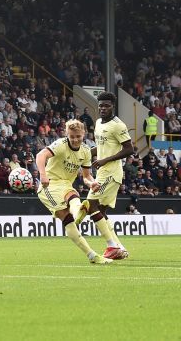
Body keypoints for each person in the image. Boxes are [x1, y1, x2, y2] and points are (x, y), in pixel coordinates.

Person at [35, 120, 111, 264]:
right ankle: (79, 214)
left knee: (71, 206)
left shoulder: (86, 151)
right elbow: (40, 155)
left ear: (84, 134)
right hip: (49, 185)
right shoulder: (60, 145)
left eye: (78, 136)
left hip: (65, 184)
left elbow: (86, 176)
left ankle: (92, 255)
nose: (75, 140)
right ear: (66, 134)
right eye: (72, 136)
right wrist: (42, 175)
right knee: (69, 210)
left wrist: (92, 183)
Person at [80, 92, 135, 260]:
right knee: (101, 212)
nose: (103, 108)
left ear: (113, 106)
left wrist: (105, 160)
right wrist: (88, 153)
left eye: (106, 105)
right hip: (103, 171)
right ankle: (119, 247)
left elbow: (129, 149)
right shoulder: (97, 123)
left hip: (111, 172)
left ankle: (112, 246)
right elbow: (102, 146)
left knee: (91, 204)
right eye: (101, 105)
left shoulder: (118, 125)